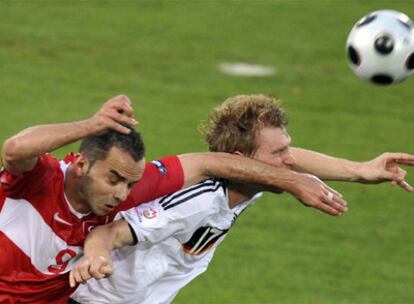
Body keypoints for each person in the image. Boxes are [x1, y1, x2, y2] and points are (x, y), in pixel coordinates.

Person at [0, 95, 351, 303]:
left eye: (128, 183)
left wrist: (358, 171)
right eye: (114, 179)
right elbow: (14, 149)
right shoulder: (42, 179)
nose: (123, 193)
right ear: (80, 163)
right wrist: (91, 125)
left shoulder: (131, 188)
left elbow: (212, 161)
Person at [69, 94, 414, 304]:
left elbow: (295, 159)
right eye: (278, 154)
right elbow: (107, 234)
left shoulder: (247, 184)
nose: (289, 164)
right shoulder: (199, 201)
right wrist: (96, 259)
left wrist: (361, 170)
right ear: (239, 160)